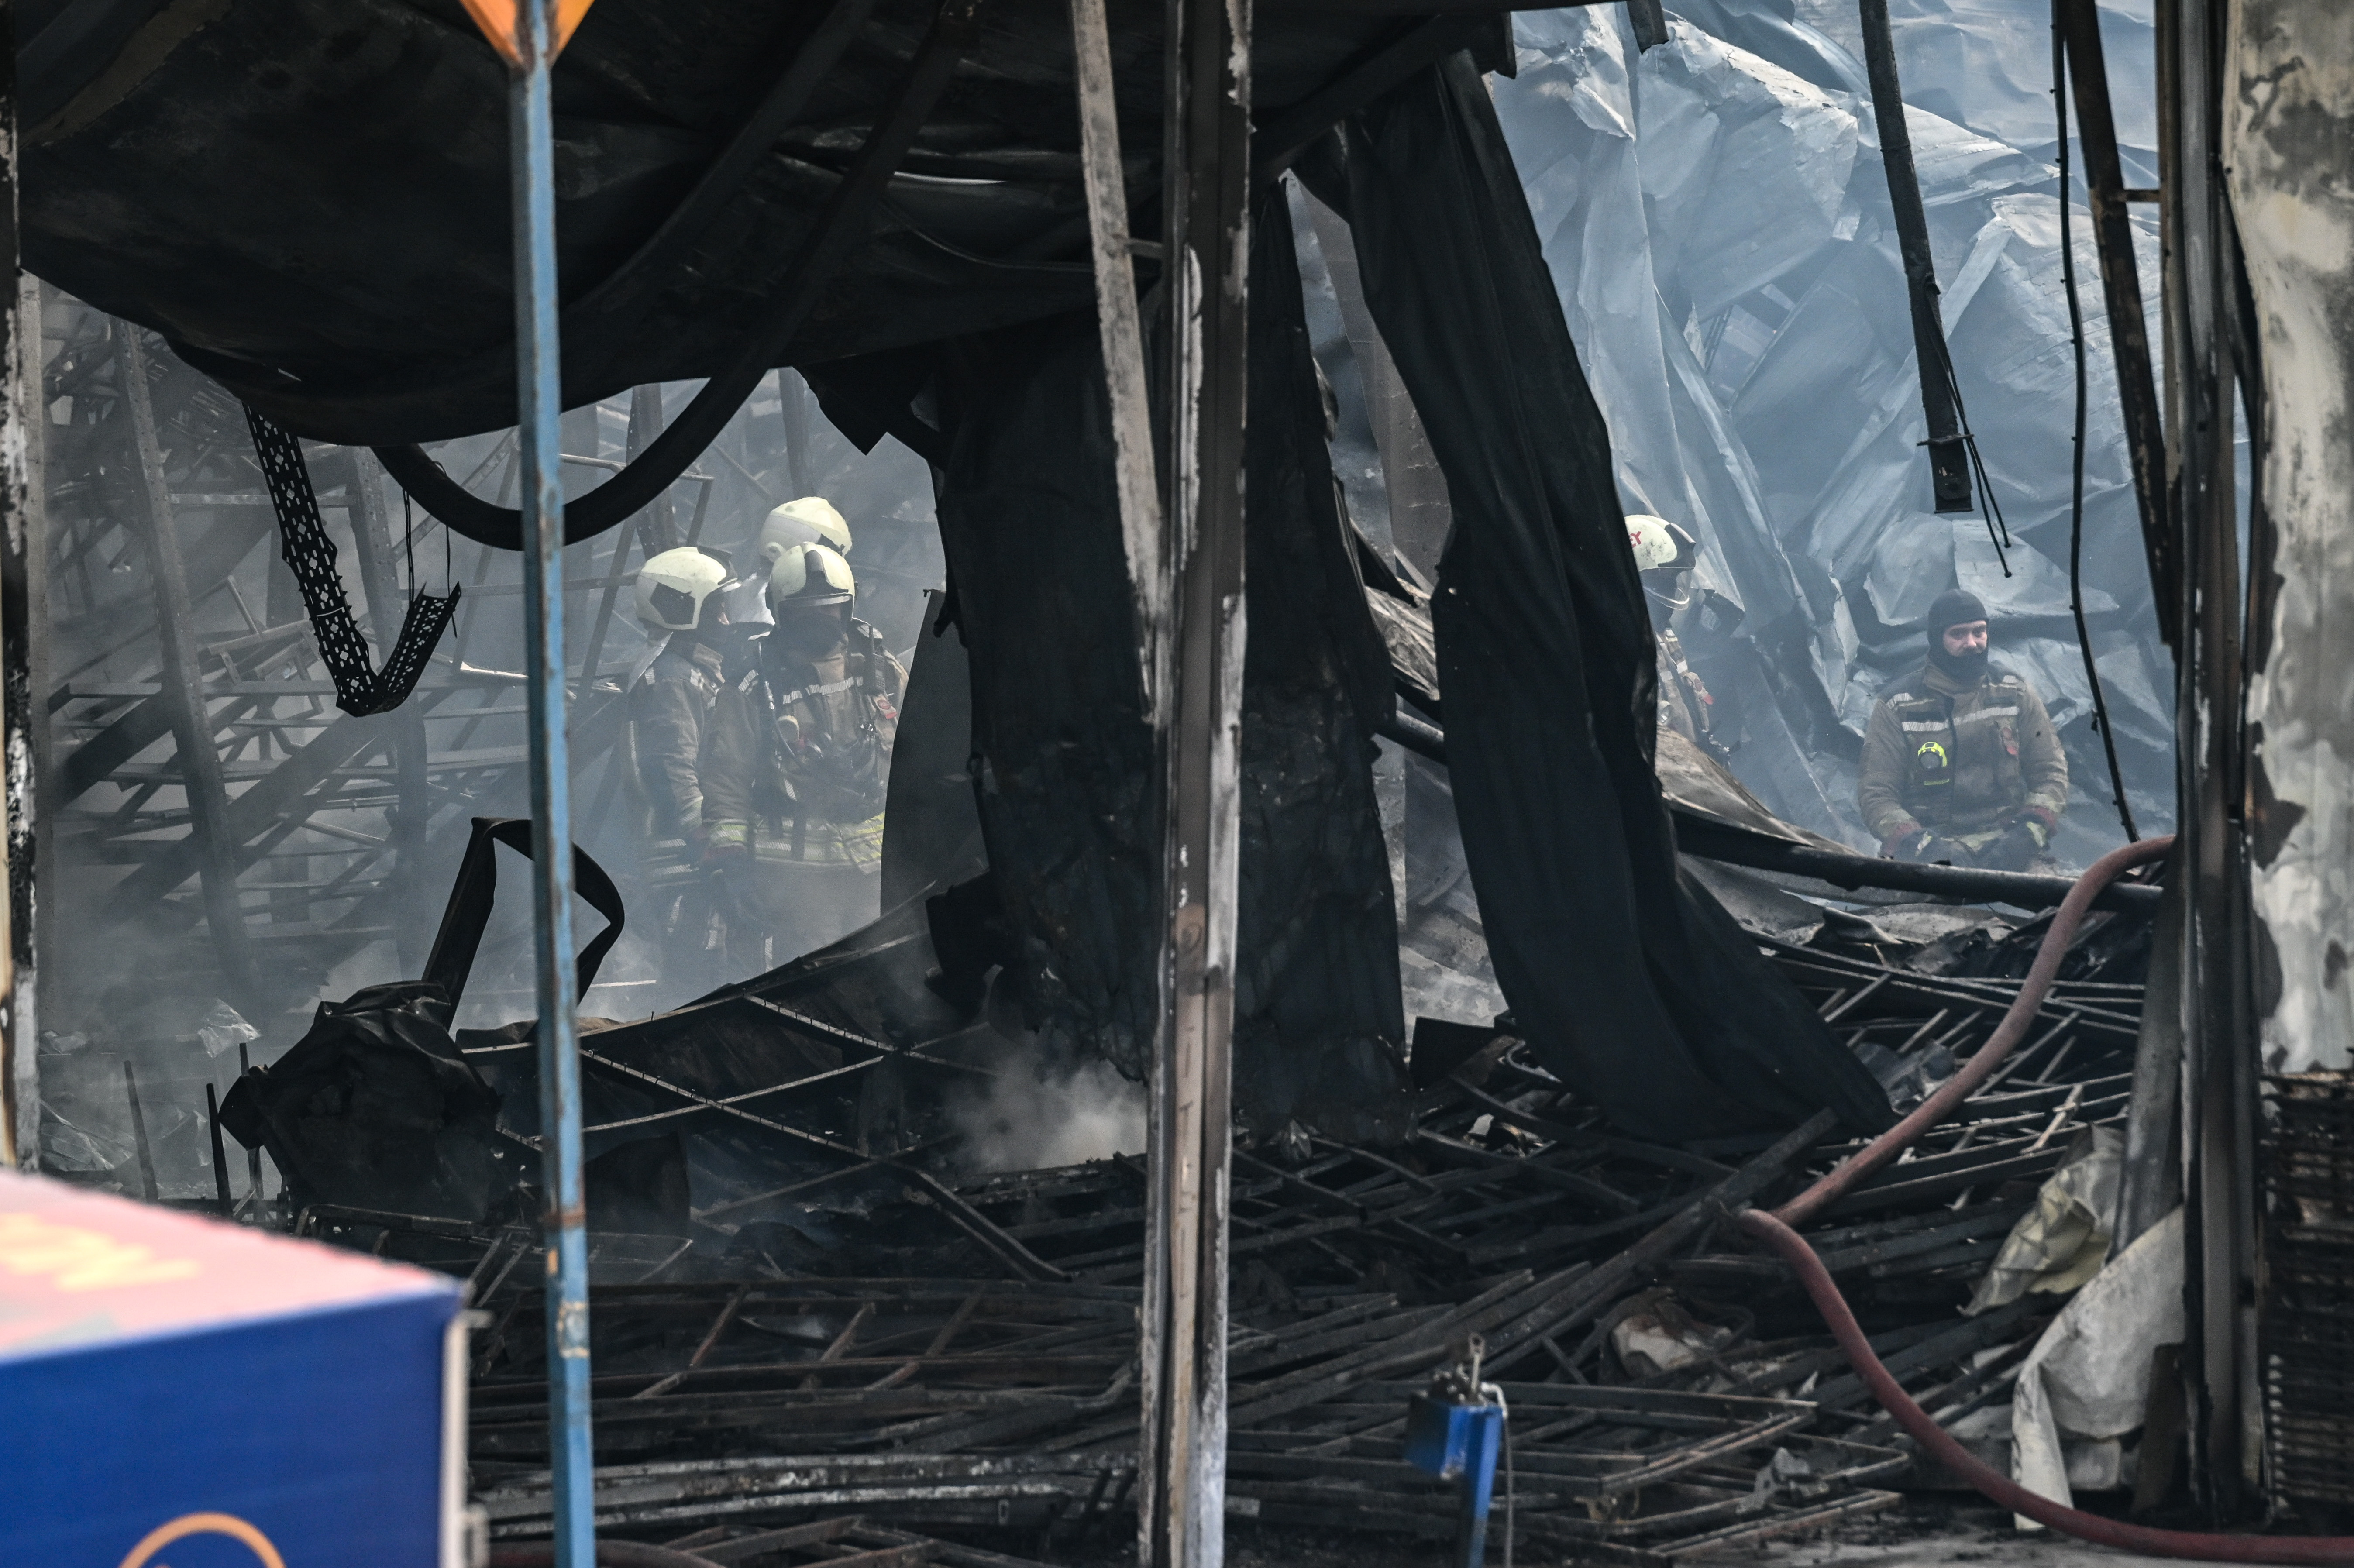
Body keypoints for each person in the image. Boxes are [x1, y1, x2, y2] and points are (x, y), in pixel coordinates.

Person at [707, 541, 908, 969]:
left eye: (830, 608)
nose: (819, 618)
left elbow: (919, 751)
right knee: (818, 978)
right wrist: (733, 868)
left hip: (874, 869)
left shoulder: (878, 668)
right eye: (803, 611)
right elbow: (725, 779)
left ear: (849, 606)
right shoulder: (753, 682)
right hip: (797, 881)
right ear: (778, 612)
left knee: (886, 972)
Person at [624, 545, 762, 991]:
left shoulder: (690, 669)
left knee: (720, 968)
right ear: (685, 613)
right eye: (715, 610)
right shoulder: (672, 679)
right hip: (686, 856)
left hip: (699, 851)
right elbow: (674, 768)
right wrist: (710, 841)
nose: (726, 620)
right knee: (700, 975)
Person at [1858, 588, 2068, 872]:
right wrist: (1923, 847)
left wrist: (2028, 835)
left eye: (1979, 632)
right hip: (1930, 856)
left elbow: (2050, 772)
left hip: (2009, 847)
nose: (1971, 643)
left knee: (2064, 899)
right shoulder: (1898, 705)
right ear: (1937, 639)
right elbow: (1877, 795)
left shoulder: (2014, 691)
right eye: (1958, 634)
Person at [1627, 513, 1734, 760]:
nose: (1674, 587)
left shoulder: (1662, 632)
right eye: (1666, 577)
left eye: (1676, 578)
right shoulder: (1623, 644)